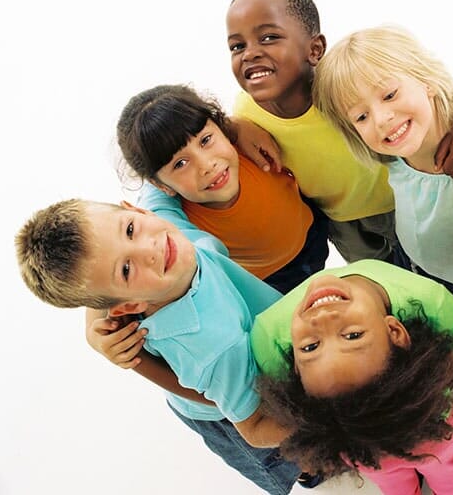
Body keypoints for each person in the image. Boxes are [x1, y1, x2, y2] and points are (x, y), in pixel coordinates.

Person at [16, 199, 300, 494]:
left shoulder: (161, 227)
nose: (148, 250)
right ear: (129, 305)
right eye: (126, 269)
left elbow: (153, 188)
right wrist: (330, 426)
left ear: (136, 210)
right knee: (286, 460)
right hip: (225, 409)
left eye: (129, 229)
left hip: (221, 369)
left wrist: (92, 330)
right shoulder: (212, 348)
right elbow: (254, 426)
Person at [225, 0, 453, 264]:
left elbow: (452, 89)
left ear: (315, 50)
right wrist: (234, 126)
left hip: (403, 200)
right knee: (385, 287)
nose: (249, 53)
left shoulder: (341, 85)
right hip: (343, 222)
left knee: (435, 269)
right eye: (237, 46)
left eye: (268, 38)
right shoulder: (245, 112)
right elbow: (215, 130)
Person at [313, 24, 453, 322]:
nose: (382, 119)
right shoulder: (393, 159)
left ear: (426, 82)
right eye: (361, 116)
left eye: (390, 95)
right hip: (411, 266)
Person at [250, 259, 453, 495]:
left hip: (358, 450)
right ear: (395, 331)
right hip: (430, 427)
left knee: (391, 482)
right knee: (444, 467)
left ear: (295, 371)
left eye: (311, 347)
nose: (321, 317)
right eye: (353, 336)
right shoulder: (432, 301)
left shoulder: (266, 336)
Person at [116, 83, 328, 295]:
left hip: (315, 228)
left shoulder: (247, 144)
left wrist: (236, 127)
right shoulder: (182, 223)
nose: (207, 165)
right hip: (274, 280)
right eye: (180, 164)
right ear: (161, 185)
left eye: (206, 140)